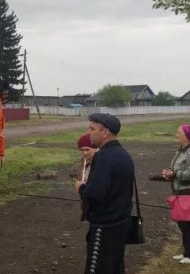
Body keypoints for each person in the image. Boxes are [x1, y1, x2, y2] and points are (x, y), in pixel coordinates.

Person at [75, 113, 134, 274]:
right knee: (115, 268)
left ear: (105, 132)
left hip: (105, 227)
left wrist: (81, 188)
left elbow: (96, 193)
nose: (88, 132)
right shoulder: (122, 154)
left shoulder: (105, 157)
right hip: (120, 223)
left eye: (92, 129)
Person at [162, 124, 190, 265]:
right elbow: (179, 168)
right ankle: (187, 252)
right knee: (183, 223)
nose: (176, 134)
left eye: (178, 133)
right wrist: (169, 172)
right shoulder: (182, 149)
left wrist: (174, 174)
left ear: (187, 137)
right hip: (182, 192)